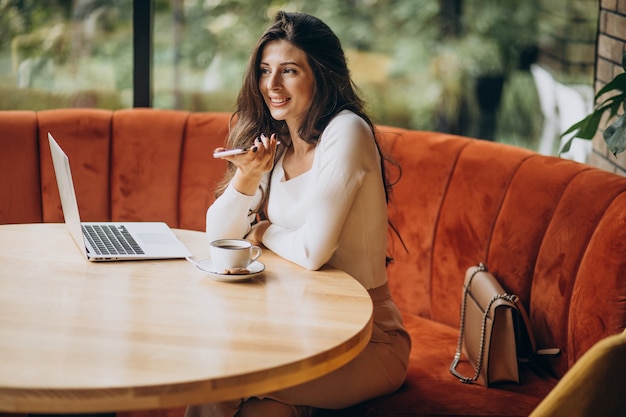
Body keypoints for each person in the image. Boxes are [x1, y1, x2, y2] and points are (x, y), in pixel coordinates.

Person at [186, 10, 411, 417]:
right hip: (299, 327)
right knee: (251, 403)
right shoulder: (279, 144)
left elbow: (312, 251)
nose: (272, 85)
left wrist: (263, 230)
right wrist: (246, 179)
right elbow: (217, 237)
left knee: (220, 381)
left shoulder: (347, 131)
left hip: (366, 339)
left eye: (288, 71)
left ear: (320, 75)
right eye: (265, 70)